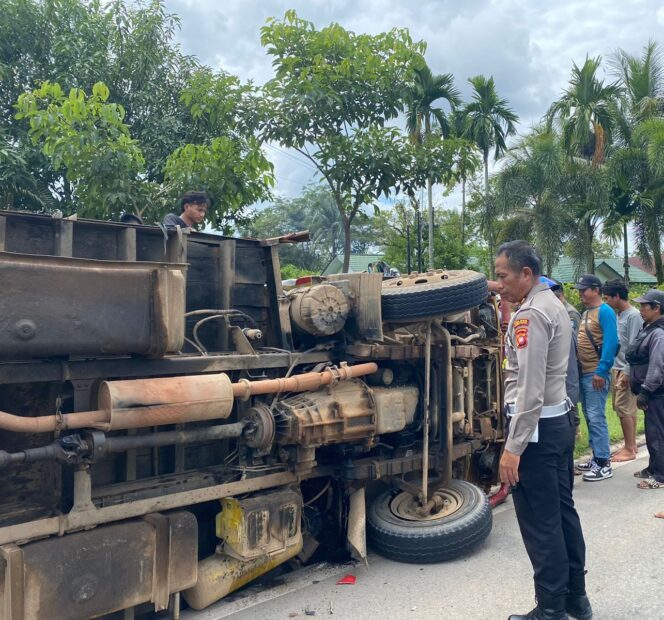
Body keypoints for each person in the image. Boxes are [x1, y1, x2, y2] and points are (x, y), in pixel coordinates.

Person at [496, 241, 590, 620]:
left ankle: (551, 608)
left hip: (536, 429)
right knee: (563, 514)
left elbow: (530, 389)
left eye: (503, 276)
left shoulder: (530, 314)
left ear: (526, 274)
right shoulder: (554, 305)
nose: (499, 284)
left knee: (540, 520)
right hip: (558, 422)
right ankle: (575, 601)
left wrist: (513, 447)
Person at [574, 274, 619, 482]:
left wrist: (601, 371)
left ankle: (603, 462)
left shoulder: (605, 311)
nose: (581, 293)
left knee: (596, 416)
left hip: (595, 373)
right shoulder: (586, 313)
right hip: (585, 373)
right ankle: (597, 456)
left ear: (596, 290)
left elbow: (611, 343)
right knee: (590, 416)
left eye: (584, 289)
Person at [627, 289, 664, 490]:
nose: (640, 309)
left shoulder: (658, 333)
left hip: (657, 393)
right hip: (651, 392)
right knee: (652, 432)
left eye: (644, 305)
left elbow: (658, 365)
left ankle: (660, 476)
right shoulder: (649, 327)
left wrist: (646, 391)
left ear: (657, 308)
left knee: (657, 433)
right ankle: (653, 467)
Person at [602, 279, 643, 462]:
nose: (606, 302)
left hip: (626, 368)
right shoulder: (620, 315)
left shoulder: (633, 315)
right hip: (617, 366)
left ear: (617, 296)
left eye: (607, 298)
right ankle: (631, 444)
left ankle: (629, 448)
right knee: (627, 408)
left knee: (623, 408)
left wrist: (627, 372)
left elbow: (635, 345)